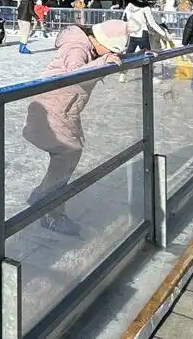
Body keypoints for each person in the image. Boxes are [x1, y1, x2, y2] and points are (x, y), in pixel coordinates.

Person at [23, 20, 127, 236]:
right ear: (101, 41)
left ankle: (43, 199)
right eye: (111, 49)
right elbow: (73, 75)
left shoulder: (88, 48)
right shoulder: (77, 48)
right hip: (51, 111)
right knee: (68, 153)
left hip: (61, 110)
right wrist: (104, 61)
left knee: (69, 154)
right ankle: (50, 211)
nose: (109, 54)